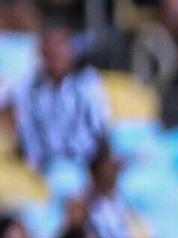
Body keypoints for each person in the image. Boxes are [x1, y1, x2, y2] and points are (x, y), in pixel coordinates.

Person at [0, 24, 109, 171]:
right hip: (45, 164)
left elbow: (100, 128)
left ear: (71, 50)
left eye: (61, 47)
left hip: (85, 162)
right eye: (50, 49)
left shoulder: (87, 81)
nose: (56, 53)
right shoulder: (26, 85)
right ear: (41, 52)